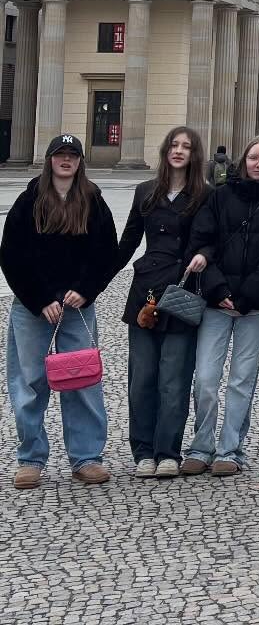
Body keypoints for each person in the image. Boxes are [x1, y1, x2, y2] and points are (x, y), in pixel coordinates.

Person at [3, 134, 119, 489]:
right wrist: (39, 299)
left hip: (77, 306)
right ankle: (31, 458)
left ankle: (86, 457)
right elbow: (12, 255)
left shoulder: (94, 201)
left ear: (80, 161)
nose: (66, 160)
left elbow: (106, 254)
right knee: (29, 382)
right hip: (33, 308)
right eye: (60, 154)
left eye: (72, 155)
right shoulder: (29, 201)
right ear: (50, 159)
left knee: (82, 381)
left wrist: (85, 290)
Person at [183, 134, 259, 476]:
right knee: (205, 379)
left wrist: (247, 295)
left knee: (241, 380)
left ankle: (231, 449)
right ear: (243, 161)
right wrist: (217, 289)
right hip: (216, 302)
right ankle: (201, 446)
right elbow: (202, 241)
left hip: (255, 306)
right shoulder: (219, 197)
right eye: (254, 158)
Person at [109, 126, 209, 479]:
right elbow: (127, 242)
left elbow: (212, 240)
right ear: (166, 150)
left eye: (186, 146)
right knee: (142, 377)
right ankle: (143, 452)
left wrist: (203, 256)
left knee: (174, 378)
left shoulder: (204, 194)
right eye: (174, 144)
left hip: (181, 292)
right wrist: (93, 282)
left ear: (194, 154)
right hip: (145, 291)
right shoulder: (145, 192)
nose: (179, 151)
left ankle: (168, 451)